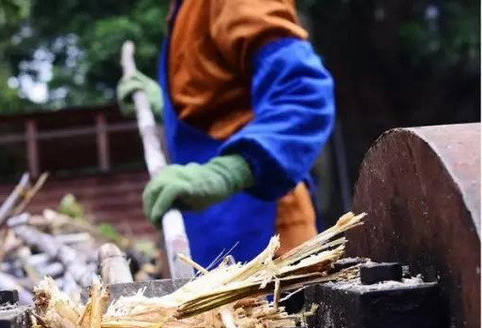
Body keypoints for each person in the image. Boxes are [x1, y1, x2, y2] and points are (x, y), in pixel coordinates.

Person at [117, 0, 335, 267]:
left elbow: (303, 94)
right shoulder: (184, 8)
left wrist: (229, 171)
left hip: (264, 233)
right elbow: (219, 103)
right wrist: (165, 104)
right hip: (210, 232)